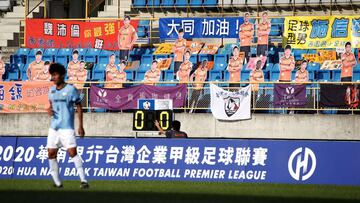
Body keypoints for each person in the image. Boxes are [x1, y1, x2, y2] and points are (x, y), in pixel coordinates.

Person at [46, 63, 88, 189]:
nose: (53, 77)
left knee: (72, 152)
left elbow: (79, 106)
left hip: (67, 128)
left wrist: (80, 126)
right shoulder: (51, 91)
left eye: (55, 74)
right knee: (51, 153)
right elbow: (51, 105)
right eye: (52, 75)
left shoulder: (70, 89)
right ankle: (58, 183)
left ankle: (83, 180)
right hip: (54, 128)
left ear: (62, 75)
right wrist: (50, 110)